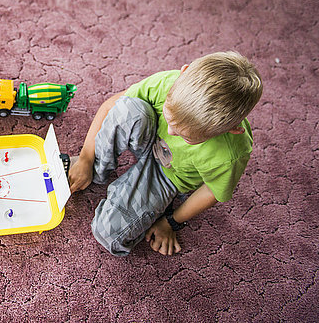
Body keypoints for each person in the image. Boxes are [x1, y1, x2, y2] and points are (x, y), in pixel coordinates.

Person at [68, 51, 263, 256]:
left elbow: (212, 192)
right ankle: (95, 169)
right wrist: (85, 158)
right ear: (183, 73)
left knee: (109, 233)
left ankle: (143, 201)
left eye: (187, 137)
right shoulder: (167, 82)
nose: (170, 133)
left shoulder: (231, 154)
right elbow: (112, 106)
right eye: (169, 115)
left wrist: (171, 222)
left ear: (232, 129)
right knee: (127, 109)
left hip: (169, 177)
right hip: (147, 137)